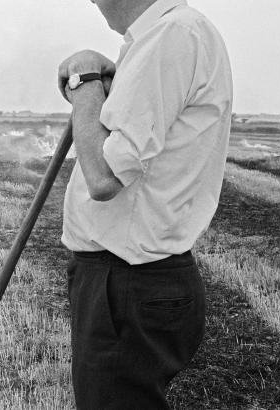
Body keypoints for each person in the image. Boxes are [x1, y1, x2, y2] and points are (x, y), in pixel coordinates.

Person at [57, 0, 232, 408]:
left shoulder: (172, 36)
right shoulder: (165, 38)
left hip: (126, 282)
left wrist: (84, 79)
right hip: (131, 278)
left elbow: (103, 177)